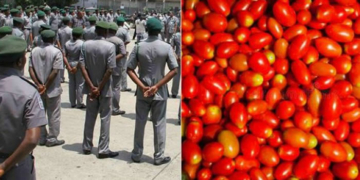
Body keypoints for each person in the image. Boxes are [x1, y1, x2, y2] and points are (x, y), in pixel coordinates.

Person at [127, 18, 178, 165]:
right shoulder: (166, 47)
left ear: (147, 30)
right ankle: (158, 156)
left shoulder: (138, 47)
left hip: (142, 92)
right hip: (159, 92)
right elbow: (174, 70)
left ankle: (137, 154)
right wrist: (157, 86)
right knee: (159, 124)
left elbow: (129, 69)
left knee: (140, 123)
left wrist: (142, 86)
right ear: (160, 30)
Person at [0, 35, 47, 180]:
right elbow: (32, 139)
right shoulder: (28, 92)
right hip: (16, 164)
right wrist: (4, 166)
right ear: (20, 61)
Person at [79, 21, 119, 159]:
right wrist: (100, 87)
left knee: (90, 117)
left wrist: (91, 86)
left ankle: (86, 146)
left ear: (96, 31)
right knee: (105, 118)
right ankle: (103, 149)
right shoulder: (110, 47)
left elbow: (82, 67)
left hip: (91, 89)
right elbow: (110, 69)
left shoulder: (86, 45)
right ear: (107, 32)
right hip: (105, 88)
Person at [29, 30, 65, 147]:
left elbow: (31, 70)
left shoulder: (34, 51)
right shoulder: (56, 52)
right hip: (52, 88)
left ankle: (42, 137)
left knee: (40, 113)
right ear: (53, 39)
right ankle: (52, 138)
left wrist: (39, 84)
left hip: (38, 89)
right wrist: (46, 86)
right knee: (54, 114)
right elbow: (55, 71)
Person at [107, 22, 127, 115]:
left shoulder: (104, 40)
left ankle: (104, 107)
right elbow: (123, 53)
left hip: (104, 67)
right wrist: (113, 60)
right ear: (115, 31)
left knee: (105, 87)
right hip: (116, 66)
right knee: (115, 88)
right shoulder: (119, 41)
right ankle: (115, 109)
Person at [64, 27, 86, 109]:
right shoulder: (82, 43)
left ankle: (72, 102)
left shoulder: (67, 43)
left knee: (71, 84)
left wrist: (68, 66)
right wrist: (76, 67)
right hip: (79, 65)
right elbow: (81, 57)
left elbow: (64, 56)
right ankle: (79, 103)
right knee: (80, 84)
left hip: (70, 63)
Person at [115, 17, 131, 92]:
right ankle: (123, 86)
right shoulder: (124, 31)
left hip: (114, 51)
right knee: (123, 68)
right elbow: (128, 40)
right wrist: (121, 45)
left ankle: (115, 85)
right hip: (122, 51)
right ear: (122, 23)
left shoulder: (114, 30)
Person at [57, 17, 72, 83]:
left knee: (62, 64)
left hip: (62, 48)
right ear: (69, 22)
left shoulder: (59, 30)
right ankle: (70, 77)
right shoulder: (70, 30)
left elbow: (57, 40)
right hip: (69, 48)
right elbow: (72, 40)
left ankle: (61, 78)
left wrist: (60, 48)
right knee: (69, 63)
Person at [170, 26, 180, 98]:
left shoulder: (175, 35)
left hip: (178, 58)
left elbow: (171, 47)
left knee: (176, 75)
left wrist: (175, 55)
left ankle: (174, 92)